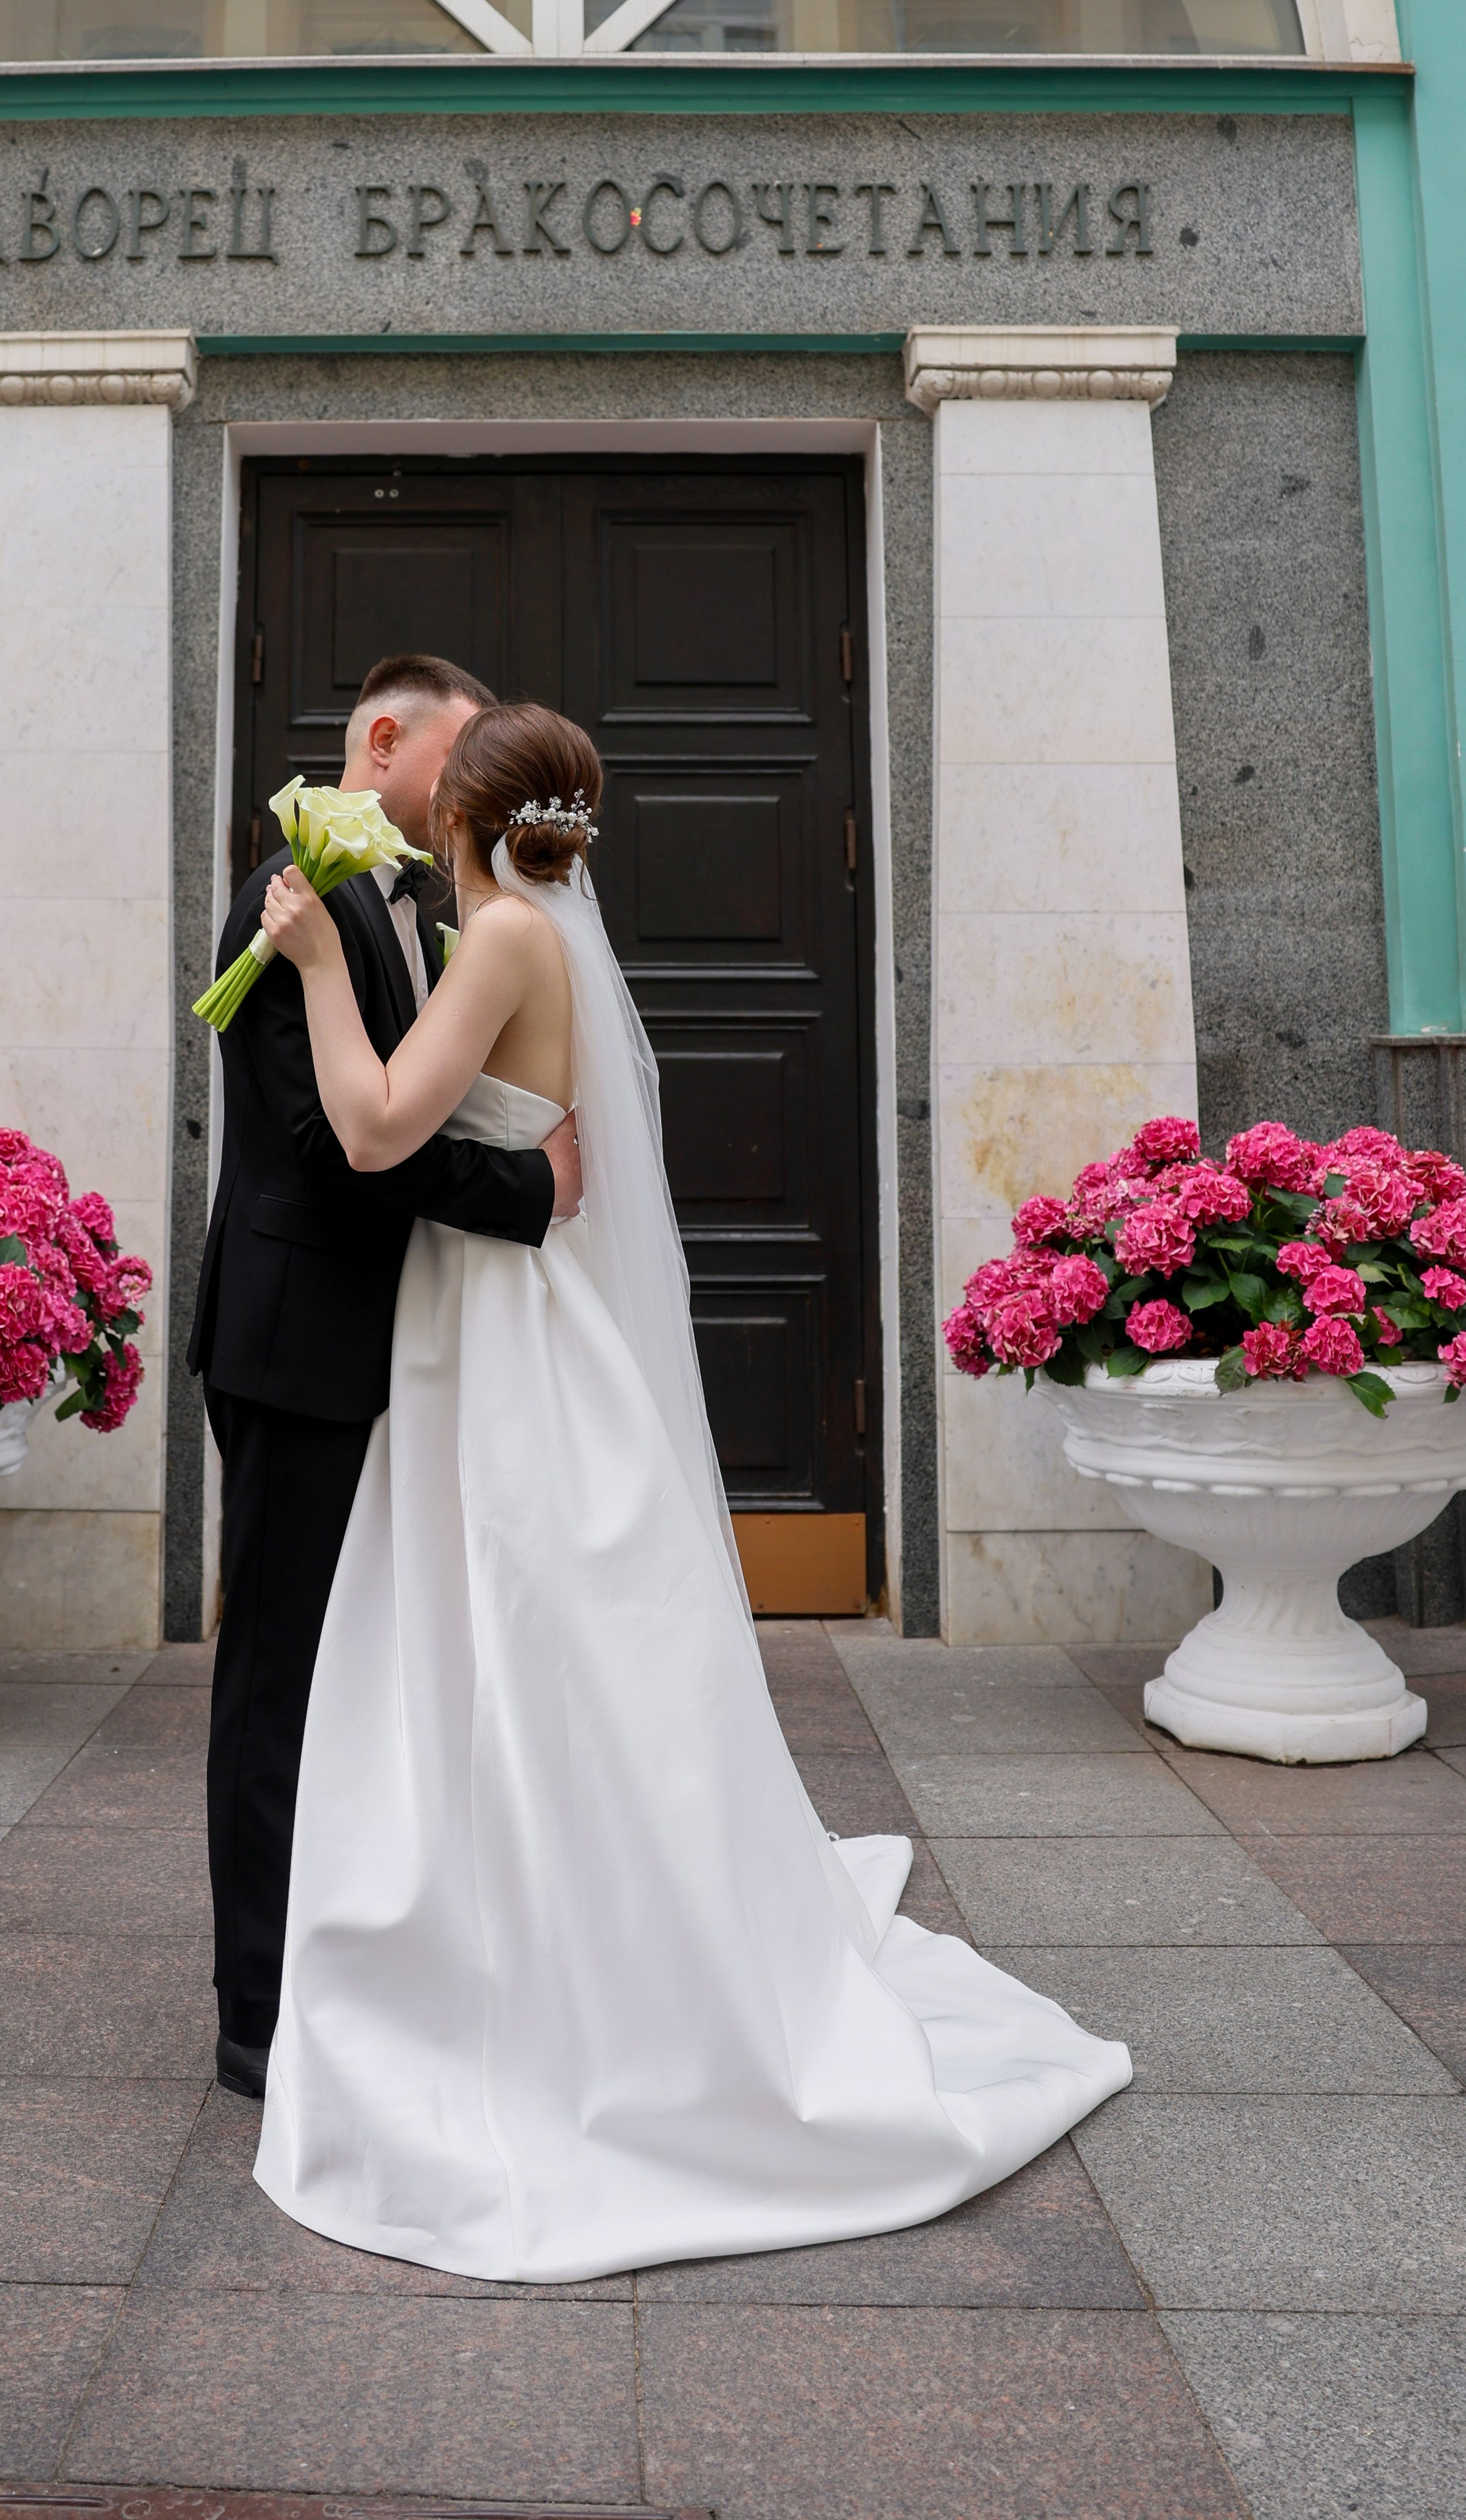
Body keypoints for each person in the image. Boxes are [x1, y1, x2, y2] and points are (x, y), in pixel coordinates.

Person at [249, 699, 1132, 2283]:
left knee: (511, 1638)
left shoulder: (501, 937)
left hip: (500, 1334)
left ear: (463, 817)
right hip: (487, 1311)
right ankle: (521, 1929)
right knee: (518, 1645)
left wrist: (316, 965)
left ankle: (550, 1968)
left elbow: (377, 1131)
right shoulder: (531, 934)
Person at [187, 656, 583, 2101]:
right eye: (457, 751)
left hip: (393, 1345)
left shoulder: (429, 907)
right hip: (298, 1342)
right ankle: (255, 2011)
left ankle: (360, 1956)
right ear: (384, 737)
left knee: (364, 1672)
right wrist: (530, 1194)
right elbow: (327, 1144)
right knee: (277, 1677)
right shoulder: (295, 889)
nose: (468, 783)